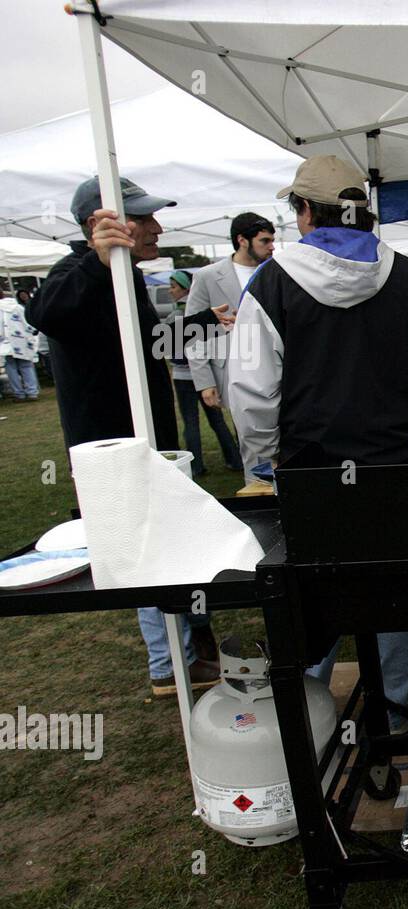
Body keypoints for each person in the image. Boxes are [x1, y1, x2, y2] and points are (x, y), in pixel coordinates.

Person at [227, 154, 408, 731]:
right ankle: (395, 704)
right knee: (391, 585)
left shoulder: (271, 281)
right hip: (398, 464)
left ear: (305, 211)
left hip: (310, 470)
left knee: (312, 589)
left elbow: (251, 392)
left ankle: (313, 710)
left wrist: (264, 459)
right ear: (363, 210)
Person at [25, 175, 228, 693]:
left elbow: (143, 342)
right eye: (144, 218)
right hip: (111, 449)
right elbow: (43, 312)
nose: (158, 227)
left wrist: (204, 321)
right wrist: (95, 261)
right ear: (101, 224)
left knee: (176, 541)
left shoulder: (126, 276)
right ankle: (169, 664)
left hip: (150, 440)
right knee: (145, 551)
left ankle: (194, 650)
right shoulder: (79, 269)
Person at [186, 212, 276, 427]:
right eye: (265, 241)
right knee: (249, 437)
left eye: (273, 240)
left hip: (275, 368)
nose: (272, 247)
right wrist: (204, 381)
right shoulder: (207, 276)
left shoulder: (277, 272)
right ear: (242, 241)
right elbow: (192, 331)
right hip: (233, 372)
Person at [163, 271, 242, 476]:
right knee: (217, 421)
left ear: (184, 288)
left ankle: (196, 465)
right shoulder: (201, 310)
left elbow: (171, 344)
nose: (170, 290)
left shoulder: (177, 314)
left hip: (185, 375)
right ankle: (234, 458)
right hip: (205, 373)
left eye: (173, 286)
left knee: (191, 422)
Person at [1, 289, 41, 401]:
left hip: (5, 344)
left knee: (11, 367)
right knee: (27, 366)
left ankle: (19, 393)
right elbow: (28, 323)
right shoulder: (17, 307)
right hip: (22, 341)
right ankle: (32, 391)